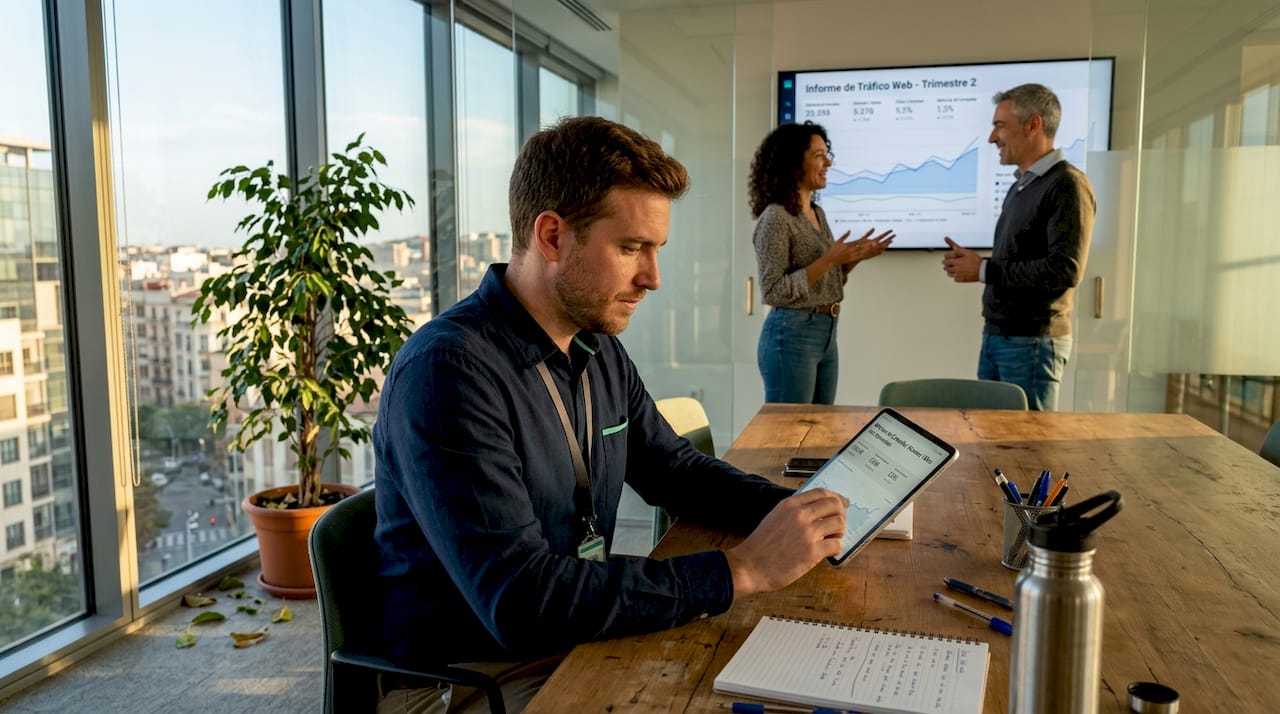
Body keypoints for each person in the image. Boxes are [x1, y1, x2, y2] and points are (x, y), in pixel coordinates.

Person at [371, 116, 849, 714]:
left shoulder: (595, 346)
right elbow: (521, 602)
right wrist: (741, 570)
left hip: (566, 637)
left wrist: (795, 513)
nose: (653, 278)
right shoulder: (448, 373)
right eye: (630, 248)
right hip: (467, 678)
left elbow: (675, 470)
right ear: (552, 236)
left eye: (656, 250)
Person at [941, 83, 1095, 411]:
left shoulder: (1066, 184)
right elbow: (1024, 259)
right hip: (1000, 336)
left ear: (1033, 125)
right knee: (989, 435)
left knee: (1028, 441)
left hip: (1031, 343)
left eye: (1000, 126)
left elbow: (1065, 270)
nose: (991, 137)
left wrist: (985, 270)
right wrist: (978, 265)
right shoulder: (1022, 186)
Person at [749, 122, 894, 404]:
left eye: (828, 155)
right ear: (794, 162)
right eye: (819, 156)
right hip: (791, 333)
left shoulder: (818, 213)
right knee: (792, 427)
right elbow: (773, 291)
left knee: (821, 424)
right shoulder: (776, 218)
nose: (828, 163)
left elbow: (823, 280)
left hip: (826, 331)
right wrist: (829, 259)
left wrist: (851, 260)